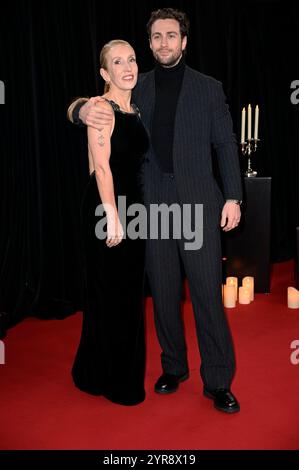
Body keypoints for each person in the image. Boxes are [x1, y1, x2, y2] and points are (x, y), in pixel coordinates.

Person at [68, 8, 242, 413]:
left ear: (184, 41)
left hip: (199, 207)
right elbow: (96, 106)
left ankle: (217, 380)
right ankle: (173, 367)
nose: (164, 43)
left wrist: (233, 197)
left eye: (171, 35)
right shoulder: (136, 86)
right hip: (152, 209)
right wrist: (78, 109)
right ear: (150, 44)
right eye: (157, 37)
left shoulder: (209, 88)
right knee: (163, 295)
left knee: (206, 298)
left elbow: (225, 145)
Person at [71, 39, 149, 406]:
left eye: (131, 59)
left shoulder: (134, 107)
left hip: (132, 207)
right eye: (118, 62)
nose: (128, 66)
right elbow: (100, 167)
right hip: (110, 209)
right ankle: (111, 380)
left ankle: (101, 372)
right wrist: (111, 218)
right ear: (105, 73)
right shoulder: (101, 108)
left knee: (127, 295)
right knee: (110, 293)